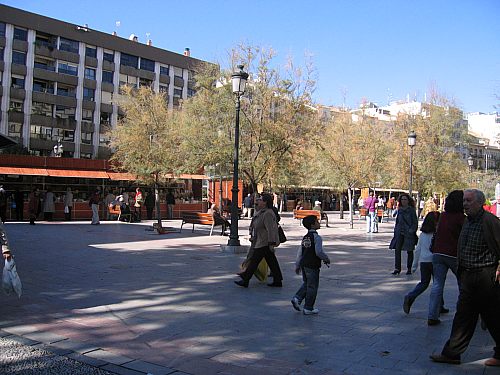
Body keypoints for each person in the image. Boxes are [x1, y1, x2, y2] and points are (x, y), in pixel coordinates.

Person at [430, 189, 500, 367]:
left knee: (493, 317)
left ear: (480, 202)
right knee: (463, 317)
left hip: (485, 277)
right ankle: (452, 353)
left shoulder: (490, 221)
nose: (465, 204)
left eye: (469, 201)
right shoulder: (468, 220)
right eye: (464, 201)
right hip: (469, 276)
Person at [427, 190, 465, 326]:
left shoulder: (443, 216)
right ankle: (464, 313)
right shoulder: (461, 218)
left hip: (438, 253)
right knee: (463, 285)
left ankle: (432, 315)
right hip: (453, 254)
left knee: (437, 285)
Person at [235, 193, 283, 288]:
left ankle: (245, 278)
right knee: (271, 261)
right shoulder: (262, 212)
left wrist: (271, 242)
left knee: (254, 260)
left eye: (260, 200)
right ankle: (278, 279)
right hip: (261, 240)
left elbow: (271, 229)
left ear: (265, 202)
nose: (258, 201)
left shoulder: (268, 213)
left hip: (264, 242)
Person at [291, 215, 331, 315]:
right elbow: (318, 252)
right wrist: (326, 259)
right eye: (317, 221)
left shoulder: (305, 237)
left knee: (307, 283)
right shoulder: (317, 237)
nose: (319, 223)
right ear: (312, 225)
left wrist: (298, 264)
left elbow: (300, 251)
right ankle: (308, 307)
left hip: (304, 263)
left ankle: (297, 298)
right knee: (312, 286)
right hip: (313, 264)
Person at [403, 211, 441, 314]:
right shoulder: (437, 234)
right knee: (438, 284)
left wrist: (414, 266)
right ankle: (439, 305)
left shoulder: (423, 235)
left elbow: (418, 250)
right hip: (435, 261)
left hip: (424, 262)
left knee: (424, 283)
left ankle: (410, 296)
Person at [389, 193, 418, 275]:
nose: (403, 201)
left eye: (405, 199)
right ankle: (397, 268)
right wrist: (396, 231)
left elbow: (414, 222)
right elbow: (397, 222)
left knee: (409, 250)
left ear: (408, 201)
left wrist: (411, 230)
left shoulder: (411, 210)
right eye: (402, 199)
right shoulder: (399, 210)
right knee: (397, 250)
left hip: (408, 233)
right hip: (399, 233)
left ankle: (409, 268)